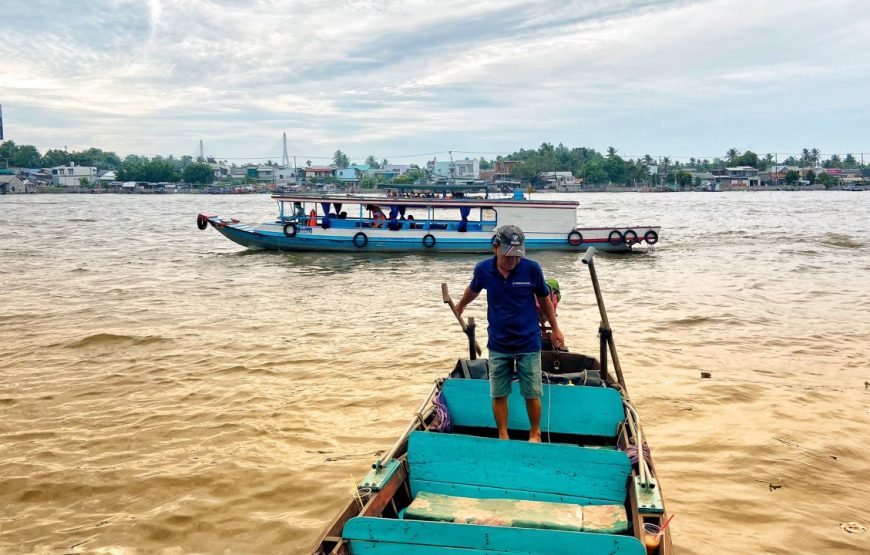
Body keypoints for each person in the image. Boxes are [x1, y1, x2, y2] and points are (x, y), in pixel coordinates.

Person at [455, 225, 564, 442]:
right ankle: (502, 434)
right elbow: (473, 290)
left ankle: (535, 433)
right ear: (495, 248)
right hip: (498, 342)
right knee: (498, 392)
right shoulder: (483, 270)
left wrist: (556, 328)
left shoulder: (532, 269)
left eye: (517, 256)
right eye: (508, 256)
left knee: (532, 392)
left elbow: (544, 299)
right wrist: (460, 305)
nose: (512, 261)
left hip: (528, 342)